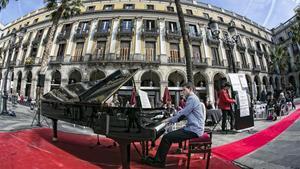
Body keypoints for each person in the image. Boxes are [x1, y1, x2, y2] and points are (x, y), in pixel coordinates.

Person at [143, 82, 205, 168]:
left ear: (190, 89)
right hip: (193, 128)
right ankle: (157, 159)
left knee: (167, 138)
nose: (182, 92)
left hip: (194, 129)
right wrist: (172, 118)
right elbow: (183, 112)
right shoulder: (193, 98)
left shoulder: (192, 98)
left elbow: (184, 113)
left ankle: (159, 162)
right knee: (168, 136)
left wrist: (170, 120)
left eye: (184, 90)